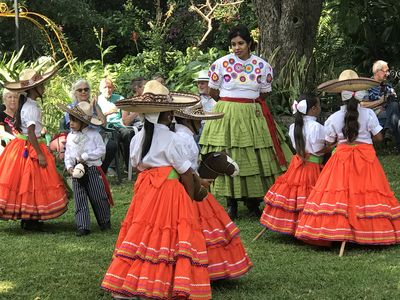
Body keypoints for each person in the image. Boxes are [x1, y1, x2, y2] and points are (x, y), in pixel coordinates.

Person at [100, 80, 212, 299]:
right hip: (169, 192)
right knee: (168, 235)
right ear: (169, 114)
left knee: (142, 231)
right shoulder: (171, 138)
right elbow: (185, 171)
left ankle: (131, 281)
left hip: (145, 190)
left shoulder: (138, 137)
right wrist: (192, 195)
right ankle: (161, 282)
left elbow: (135, 164)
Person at [295, 70, 400, 254]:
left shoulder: (333, 118)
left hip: (341, 158)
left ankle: (336, 231)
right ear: (360, 93)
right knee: (368, 192)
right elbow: (378, 138)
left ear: (340, 95)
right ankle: (368, 232)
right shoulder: (368, 114)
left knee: (338, 194)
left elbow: (329, 142)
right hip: (366, 158)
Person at [199, 24, 293, 219]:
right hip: (226, 113)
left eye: (241, 43)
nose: (237, 47)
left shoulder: (262, 66)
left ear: (249, 43)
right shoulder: (220, 64)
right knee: (228, 153)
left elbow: (265, 92)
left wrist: (246, 104)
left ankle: (253, 201)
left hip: (252, 113)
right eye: (233, 44)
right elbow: (213, 90)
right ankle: (231, 202)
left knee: (254, 155)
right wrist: (229, 105)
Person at [175, 102, 253, 280]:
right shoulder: (184, 138)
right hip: (190, 187)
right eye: (199, 120)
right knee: (198, 228)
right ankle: (202, 268)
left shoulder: (179, 135)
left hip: (189, 184)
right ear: (189, 120)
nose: (201, 123)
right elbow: (186, 169)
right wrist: (200, 181)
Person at [0, 68, 68, 230]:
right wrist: (39, 153)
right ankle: (30, 219)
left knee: (30, 183)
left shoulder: (29, 104)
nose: (44, 87)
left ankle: (30, 218)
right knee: (32, 183)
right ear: (33, 89)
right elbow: (30, 132)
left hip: (25, 145)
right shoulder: (30, 107)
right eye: (41, 85)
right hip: (30, 146)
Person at [258, 94, 327, 236]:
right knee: (310, 196)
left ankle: (293, 224)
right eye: (319, 105)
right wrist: (333, 146)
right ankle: (307, 227)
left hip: (298, 167)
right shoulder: (317, 127)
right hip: (313, 168)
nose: (320, 108)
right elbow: (319, 150)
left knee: (295, 195)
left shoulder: (293, 126)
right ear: (314, 109)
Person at [61, 101, 112, 236]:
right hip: (77, 171)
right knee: (80, 198)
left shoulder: (94, 134)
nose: (71, 123)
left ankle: (104, 221)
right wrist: (69, 166)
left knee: (98, 197)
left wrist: (87, 156)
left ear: (84, 122)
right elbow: (68, 153)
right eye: (70, 120)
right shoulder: (71, 136)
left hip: (92, 169)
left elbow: (101, 150)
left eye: (74, 121)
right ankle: (83, 225)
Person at [61, 79, 117, 175]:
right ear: (75, 92)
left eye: (86, 89)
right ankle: (78, 169)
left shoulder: (93, 105)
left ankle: (101, 171)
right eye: (80, 90)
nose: (83, 92)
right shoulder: (71, 108)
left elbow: (104, 124)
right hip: (79, 137)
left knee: (112, 145)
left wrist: (95, 106)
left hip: (97, 136)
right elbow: (72, 126)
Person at [360, 60, 400, 152]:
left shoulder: (388, 86)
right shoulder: (367, 85)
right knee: (396, 117)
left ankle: (389, 130)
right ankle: (391, 134)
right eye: (386, 71)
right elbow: (362, 105)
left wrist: (392, 97)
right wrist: (380, 101)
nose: (388, 73)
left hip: (389, 113)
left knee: (394, 107)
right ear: (377, 71)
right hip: (374, 114)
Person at [97, 77, 136, 170]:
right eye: (105, 87)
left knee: (128, 134)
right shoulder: (96, 101)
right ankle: (111, 167)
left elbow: (125, 119)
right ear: (100, 89)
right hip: (105, 127)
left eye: (110, 87)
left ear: (113, 88)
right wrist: (107, 112)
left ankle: (129, 166)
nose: (108, 90)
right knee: (112, 138)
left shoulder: (120, 98)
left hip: (119, 125)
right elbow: (95, 119)